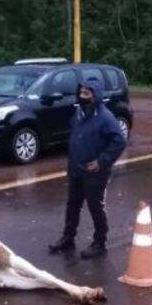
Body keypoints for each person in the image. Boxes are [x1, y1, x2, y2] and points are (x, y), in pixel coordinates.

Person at [48, 77, 127, 259]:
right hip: (76, 169)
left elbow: (119, 141)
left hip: (95, 172)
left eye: (86, 93)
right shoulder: (79, 113)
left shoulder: (105, 117)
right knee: (72, 205)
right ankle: (68, 238)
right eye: (81, 92)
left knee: (95, 206)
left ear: (95, 96)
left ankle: (100, 243)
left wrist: (102, 161)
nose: (82, 96)